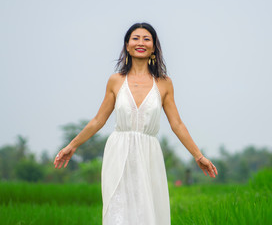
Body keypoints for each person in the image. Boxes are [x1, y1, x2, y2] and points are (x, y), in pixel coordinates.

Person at [53, 22, 218, 225]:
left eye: (146, 39)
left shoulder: (164, 83)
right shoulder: (115, 80)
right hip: (118, 151)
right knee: (118, 210)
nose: (141, 42)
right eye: (136, 38)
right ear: (127, 45)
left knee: (147, 211)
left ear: (154, 47)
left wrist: (198, 155)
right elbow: (98, 120)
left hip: (149, 154)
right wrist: (72, 146)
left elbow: (177, 124)